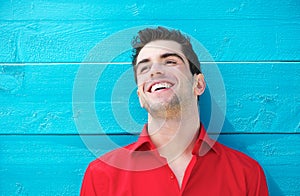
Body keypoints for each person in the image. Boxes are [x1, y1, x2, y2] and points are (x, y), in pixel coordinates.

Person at [80, 26, 269, 195]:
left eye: (170, 61)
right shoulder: (101, 176)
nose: (155, 71)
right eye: (144, 68)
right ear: (140, 96)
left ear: (199, 84)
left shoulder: (247, 173)